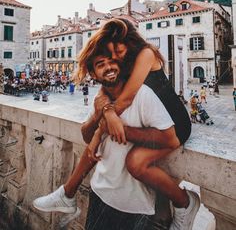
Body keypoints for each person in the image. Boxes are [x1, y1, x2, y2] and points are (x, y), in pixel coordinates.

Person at [33, 18, 198, 229]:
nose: (117, 56)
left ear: (130, 40)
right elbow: (108, 88)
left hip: (176, 123)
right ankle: (67, 192)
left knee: (135, 163)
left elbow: (127, 98)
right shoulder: (127, 61)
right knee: (110, 146)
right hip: (152, 122)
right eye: (112, 53)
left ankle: (185, 203)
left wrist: (105, 120)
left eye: (118, 50)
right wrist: (104, 113)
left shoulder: (146, 53)